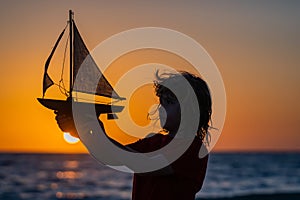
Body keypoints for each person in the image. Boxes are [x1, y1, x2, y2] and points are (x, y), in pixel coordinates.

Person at [55, 71, 212, 200]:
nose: (160, 109)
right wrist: (80, 132)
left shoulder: (193, 149)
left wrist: (97, 131)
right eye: (161, 103)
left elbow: (143, 165)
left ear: (191, 111)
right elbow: (111, 156)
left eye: (169, 103)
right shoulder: (154, 141)